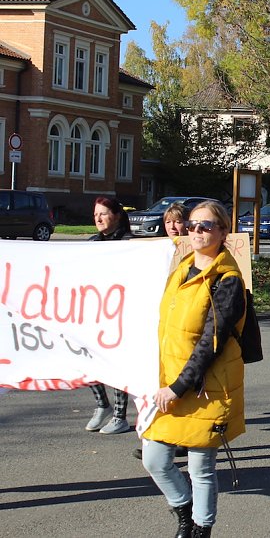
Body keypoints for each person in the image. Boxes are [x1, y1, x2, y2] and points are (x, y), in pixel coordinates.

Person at [141, 200, 246, 538]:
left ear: (223, 232)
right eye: (192, 225)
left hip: (205, 387)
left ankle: (201, 530)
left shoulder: (228, 280)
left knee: (201, 467)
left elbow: (210, 344)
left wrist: (178, 387)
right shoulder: (181, 268)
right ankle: (184, 510)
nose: (196, 231)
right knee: (154, 459)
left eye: (206, 226)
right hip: (168, 382)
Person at [134, 202, 192, 460]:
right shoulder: (156, 250)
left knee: (178, 384)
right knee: (156, 382)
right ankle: (158, 436)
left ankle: (179, 439)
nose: (173, 226)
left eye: (178, 221)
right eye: (169, 222)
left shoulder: (196, 251)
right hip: (158, 326)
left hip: (183, 328)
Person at [85, 196, 133, 434]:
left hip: (121, 314)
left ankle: (119, 415)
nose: (98, 219)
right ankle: (102, 405)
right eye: (95, 215)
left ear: (116, 215)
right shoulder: (92, 243)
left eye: (103, 214)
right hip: (95, 313)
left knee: (117, 365)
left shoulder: (129, 243)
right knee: (86, 360)